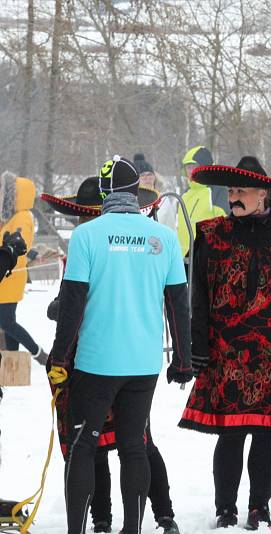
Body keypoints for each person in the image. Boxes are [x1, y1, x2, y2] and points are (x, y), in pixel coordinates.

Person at [178, 156, 271, 530]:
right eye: (230, 191)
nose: (234, 197)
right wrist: (197, 346)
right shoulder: (212, 235)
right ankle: (225, 508)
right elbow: (198, 298)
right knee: (230, 433)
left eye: (241, 190)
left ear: (264, 194)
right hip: (227, 351)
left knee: (267, 434)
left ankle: (259, 507)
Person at [48, 156, 192, 534]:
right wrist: (183, 358)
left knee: (83, 445)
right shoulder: (163, 237)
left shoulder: (87, 236)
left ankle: (78, 529)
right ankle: (133, 528)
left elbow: (73, 303)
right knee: (133, 446)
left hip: (96, 362)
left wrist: (60, 357)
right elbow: (179, 302)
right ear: (135, 192)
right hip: (142, 363)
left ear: (104, 192)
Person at [0, 172, 46, 364]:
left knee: (6, 321)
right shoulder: (16, 218)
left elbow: (17, 248)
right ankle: (12, 356)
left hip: (10, 276)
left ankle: (38, 353)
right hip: (7, 275)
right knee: (7, 321)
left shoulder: (22, 219)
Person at [176, 146, 228, 258]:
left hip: (208, 260)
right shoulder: (185, 195)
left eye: (194, 166)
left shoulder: (217, 191)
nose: (191, 171)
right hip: (183, 260)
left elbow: (226, 228)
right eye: (188, 167)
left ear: (206, 168)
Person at [133, 153, 178, 229]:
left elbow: (171, 229)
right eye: (142, 175)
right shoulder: (129, 202)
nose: (147, 178)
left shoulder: (163, 200)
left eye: (150, 174)